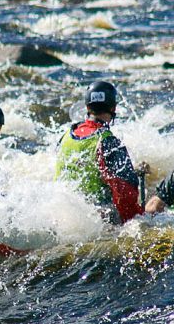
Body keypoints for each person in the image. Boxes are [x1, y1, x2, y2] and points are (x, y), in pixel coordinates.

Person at [55, 81, 145, 224]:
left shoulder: (66, 136)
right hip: (98, 220)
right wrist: (138, 221)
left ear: (87, 106)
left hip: (61, 215)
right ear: (113, 107)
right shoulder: (108, 141)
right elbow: (126, 195)